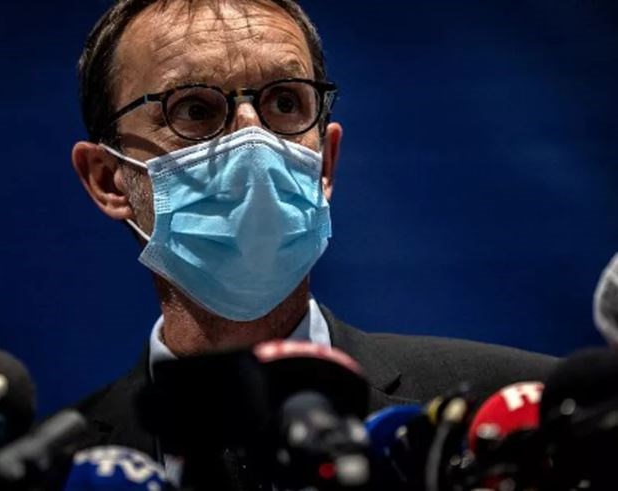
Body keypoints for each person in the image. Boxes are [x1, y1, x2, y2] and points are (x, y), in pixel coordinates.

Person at [70, 0, 554, 470]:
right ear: (109, 180)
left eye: (285, 102)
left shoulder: (530, 416)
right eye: (194, 109)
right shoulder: (56, 470)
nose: (253, 138)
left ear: (325, 163)